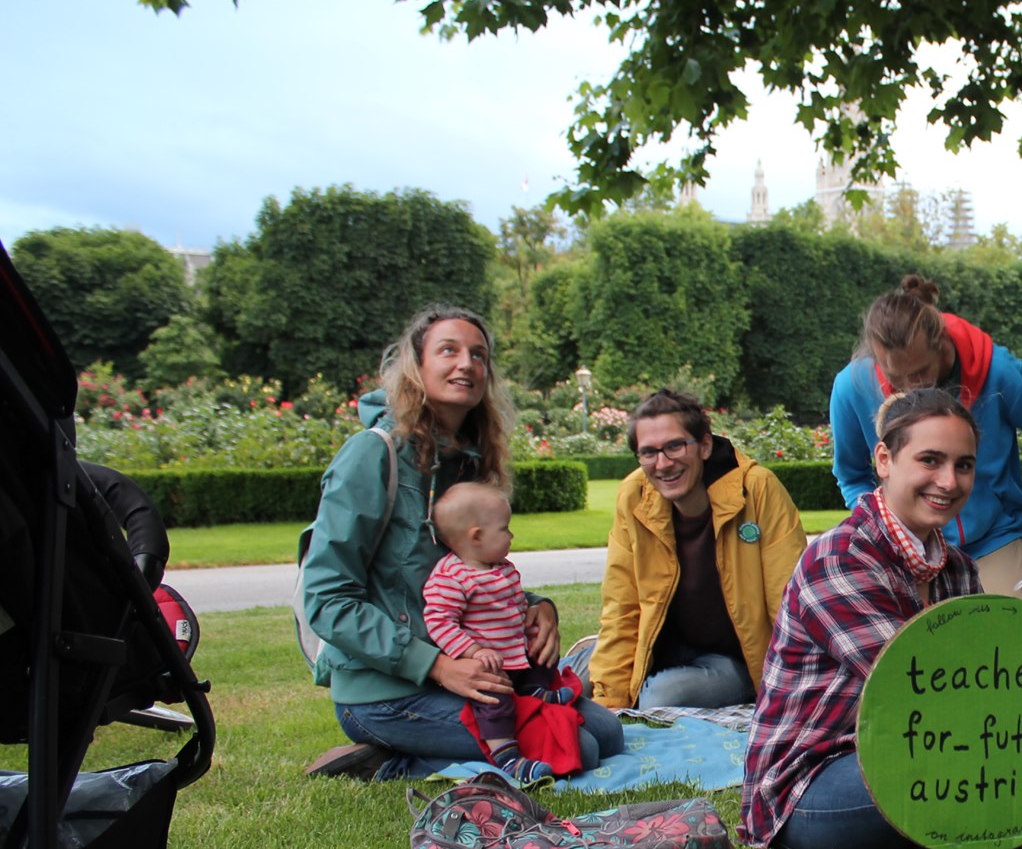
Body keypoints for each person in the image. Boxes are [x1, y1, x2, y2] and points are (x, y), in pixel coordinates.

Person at [744, 389, 1022, 849]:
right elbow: (924, 699)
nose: (949, 481)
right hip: (816, 779)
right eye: (930, 460)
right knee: (924, 772)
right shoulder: (839, 560)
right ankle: (987, 823)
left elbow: (984, 687)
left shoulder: (956, 567)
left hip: (926, 744)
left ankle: (957, 833)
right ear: (884, 458)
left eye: (963, 465)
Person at [300, 306, 624, 780]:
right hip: (385, 692)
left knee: (608, 733)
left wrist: (538, 607)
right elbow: (327, 601)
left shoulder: (465, 464)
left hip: (468, 675)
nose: (466, 363)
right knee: (580, 747)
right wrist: (435, 665)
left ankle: (418, 752)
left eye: (478, 354)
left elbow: (463, 579)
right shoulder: (372, 456)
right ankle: (389, 760)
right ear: (417, 364)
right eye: (448, 350)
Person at [830, 274, 1022, 597]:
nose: (906, 388)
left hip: (992, 541)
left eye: (918, 373)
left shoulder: (999, 371)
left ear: (941, 344)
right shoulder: (851, 385)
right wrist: (882, 529)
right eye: (892, 376)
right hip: (901, 555)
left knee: (1018, 638)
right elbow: (850, 474)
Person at [579, 389, 805, 710]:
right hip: (659, 644)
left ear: (705, 446)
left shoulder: (757, 489)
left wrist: (789, 697)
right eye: (649, 452)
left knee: (658, 698)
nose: (663, 463)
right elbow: (622, 606)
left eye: (675, 446)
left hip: (734, 658)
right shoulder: (633, 495)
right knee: (572, 681)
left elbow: (789, 605)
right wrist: (611, 704)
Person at [422, 482, 578, 787]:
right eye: (505, 529)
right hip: (488, 663)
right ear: (477, 536)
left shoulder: (501, 567)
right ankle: (506, 754)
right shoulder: (452, 577)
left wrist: (533, 618)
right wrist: (473, 651)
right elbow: (439, 621)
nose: (512, 535)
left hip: (514, 650)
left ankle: (535, 688)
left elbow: (513, 605)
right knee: (494, 700)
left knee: (542, 647)